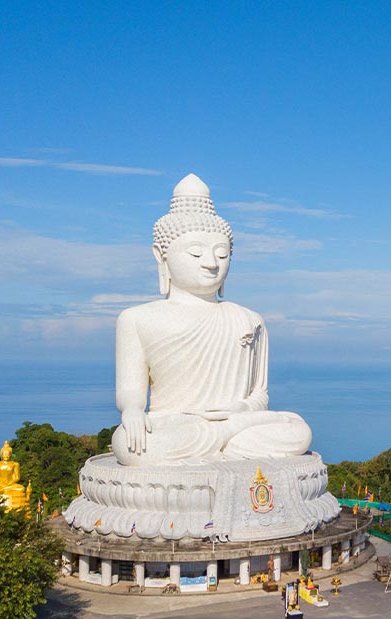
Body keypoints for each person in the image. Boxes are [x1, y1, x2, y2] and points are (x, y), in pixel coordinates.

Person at [111, 174, 311, 466]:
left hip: (237, 420)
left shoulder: (248, 319)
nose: (210, 263)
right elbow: (131, 393)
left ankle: (225, 438)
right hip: (177, 427)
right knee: (128, 444)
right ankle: (229, 441)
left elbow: (260, 395)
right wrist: (131, 412)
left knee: (297, 431)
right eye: (195, 252)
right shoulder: (136, 319)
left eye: (222, 253)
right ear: (161, 256)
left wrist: (240, 409)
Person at [0, 441, 28, 508]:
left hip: (10, 485)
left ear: (10, 455)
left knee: (22, 489)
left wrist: (9, 484)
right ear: (1, 455)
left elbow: (17, 478)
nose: (6, 455)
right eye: (4, 454)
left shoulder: (15, 464)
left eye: (8, 454)